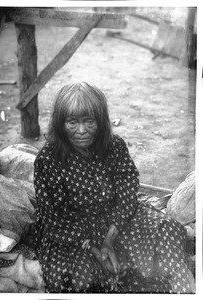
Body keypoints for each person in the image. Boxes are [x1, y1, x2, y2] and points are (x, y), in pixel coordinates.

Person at [33, 82, 195, 293]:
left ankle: (184, 291)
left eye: (89, 121)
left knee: (167, 230)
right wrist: (95, 250)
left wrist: (109, 240)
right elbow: (53, 219)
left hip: (115, 221)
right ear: (59, 123)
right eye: (72, 122)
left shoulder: (115, 146)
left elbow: (127, 195)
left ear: (100, 121)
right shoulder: (48, 160)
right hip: (73, 233)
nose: (81, 131)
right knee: (75, 279)